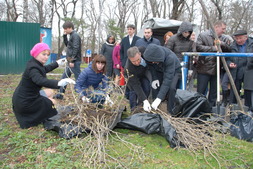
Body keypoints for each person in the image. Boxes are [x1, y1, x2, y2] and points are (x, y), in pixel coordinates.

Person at [12, 43, 75, 129]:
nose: (46, 57)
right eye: (43, 54)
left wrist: (57, 63)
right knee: (53, 102)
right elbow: (40, 80)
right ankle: (41, 109)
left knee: (50, 92)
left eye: (48, 55)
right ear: (36, 53)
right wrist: (59, 83)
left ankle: (43, 105)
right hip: (26, 103)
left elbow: (44, 69)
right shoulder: (33, 68)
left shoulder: (34, 63)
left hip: (23, 97)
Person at [195, 20, 231, 106]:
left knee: (214, 93)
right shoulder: (203, 35)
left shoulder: (224, 38)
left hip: (217, 69)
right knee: (201, 91)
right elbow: (198, 47)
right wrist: (214, 48)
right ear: (216, 27)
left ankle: (211, 110)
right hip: (204, 68)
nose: (224, 31)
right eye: (223, 28)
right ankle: (198, 108)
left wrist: (222, 44)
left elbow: (229, 49)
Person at [143, 44, 181, 114]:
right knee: (155, 86)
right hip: (159, 69)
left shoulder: (170, 58)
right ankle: (155, 109)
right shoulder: (151, 55)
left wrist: (159, 98)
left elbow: (167, 80)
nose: (153, 62)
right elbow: (152, 67)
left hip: (174, 70)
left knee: (171, 88)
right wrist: (155, 78)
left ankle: (170, 112)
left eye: (154, 61)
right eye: (152, 61)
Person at [55, 21, 82, 99]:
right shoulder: (71, 35)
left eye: (65, 29)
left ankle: (82, 95)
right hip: (71, 61)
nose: (65, 30)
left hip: (74, 61)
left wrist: (72, 60)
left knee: (79, 79)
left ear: (70, 28)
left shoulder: (75, 36)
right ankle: (60, 95)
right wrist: (64, 36)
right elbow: (68, 46)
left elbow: (76, 48)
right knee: (64, 78)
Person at [224, 30, 250, 105]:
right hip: (236, 70)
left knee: (248, 91)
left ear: (246, 37)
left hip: (249, 70)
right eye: (236, 38)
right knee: (235, 90)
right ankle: (233, 109)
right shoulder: (232, 46)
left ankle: (249, 109)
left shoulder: (251, 44)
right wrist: (229, 64)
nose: (238, 40)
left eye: (240, 38)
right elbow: (227, 58)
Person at [125, 46, 151, 112]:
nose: (137, 63)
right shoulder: (128, 67)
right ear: (129, 58)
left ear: (139, 54)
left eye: (138, 60)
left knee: (147, 87)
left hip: (143, 74)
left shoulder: (145, 51)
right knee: (133, 91)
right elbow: (136, 85)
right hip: (132, 77)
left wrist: (144, 100)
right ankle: (133, 110)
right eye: (133, 61)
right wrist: (145, 100)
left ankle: (141, 106)